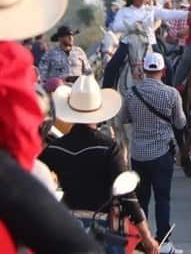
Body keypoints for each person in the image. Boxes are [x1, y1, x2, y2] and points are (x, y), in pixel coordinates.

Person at [0, 0, 102, 253]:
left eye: (71, 36)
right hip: (57, 91)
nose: (70, 40)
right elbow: (19, 134)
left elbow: (89, 72)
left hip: (77, 86)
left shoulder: (82, 52)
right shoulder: (17, 60)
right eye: (67, 37)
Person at [40, 75, 159, 254]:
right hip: (102, 230)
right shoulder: (108, 147)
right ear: (99, 110)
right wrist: (147, 236)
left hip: (65, 228)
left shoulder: (55, 148)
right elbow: (128, 197)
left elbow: (36, 182)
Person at [120, 52, 186, 254]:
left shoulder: (132, 93)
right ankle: (164, 242)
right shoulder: (171, 93)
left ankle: (142, 241)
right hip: (161, 153)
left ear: (144, 70)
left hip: (138, 154)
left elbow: (123, 118)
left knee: (141, 200)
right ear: (163, 71)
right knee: (162, 198)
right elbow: (180, 123)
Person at [102, 0, 189, 89]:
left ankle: (169, 92)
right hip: (128, 43)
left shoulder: (151, 10)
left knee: (168, 66)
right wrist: (133, 24)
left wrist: (187, 14)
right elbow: (115, 26)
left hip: (150, 42)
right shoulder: (124, 11)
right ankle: (108, 93)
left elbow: (169, 14)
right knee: (111, 66)